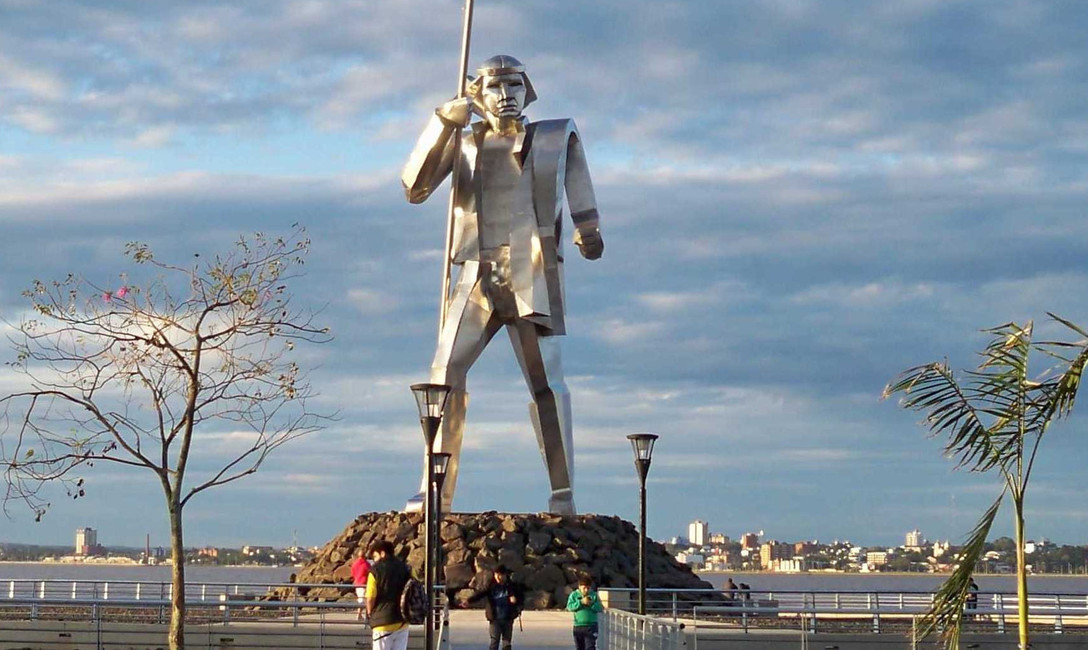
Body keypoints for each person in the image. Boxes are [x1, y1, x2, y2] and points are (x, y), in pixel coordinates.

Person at [402, 54, 605, 516]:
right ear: (477, 95)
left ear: (527, 90)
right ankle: (434, 488)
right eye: (494, 87)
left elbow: (581, 194)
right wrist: (441, 125)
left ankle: (562, 494)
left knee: (546, 384)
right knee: (442, 375)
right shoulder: (465, 140)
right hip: (476, 274)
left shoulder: (555, 136)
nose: (506, 95)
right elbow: (414, 188)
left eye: (514, 85)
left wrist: (588, 229)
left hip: (530, 272)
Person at [366, 541, 412, 650]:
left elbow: (370, 597)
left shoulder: (375, 571)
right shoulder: (406, 568)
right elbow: (414, 589)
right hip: (402, 621)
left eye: (375, 556)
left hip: (382, 623)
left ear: (382, 553)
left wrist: (369, 613)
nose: (374, 560)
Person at [467, 565, 525, 650]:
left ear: (505, 575)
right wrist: (469, 601)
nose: (497, 577)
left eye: (500, 575)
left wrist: (517, 604)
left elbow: (521, 599)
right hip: (495, 619)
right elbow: (480, 594)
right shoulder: (491, 585)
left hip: (507, 618)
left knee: (507, 642)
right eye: (496, 575)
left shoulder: (512, 586)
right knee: (494, 641)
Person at [566, 576, 604, 650]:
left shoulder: (594, 595)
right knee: (580, 647)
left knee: (590, 647)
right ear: (579, 587)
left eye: (588, 588)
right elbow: (569, 607)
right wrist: (581, 602)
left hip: (591, 626)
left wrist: (592, 604)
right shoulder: (574, 595)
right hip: (578, 626)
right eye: (584, 588)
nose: (586, 590)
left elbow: (600, 608)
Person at [350, 551, 371, 621]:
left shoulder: (355, 564)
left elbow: (353, 574)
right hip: (364, 584)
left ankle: (360, 614)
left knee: (361, 599)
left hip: (357, 583)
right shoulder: (366, 564)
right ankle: (359, 614)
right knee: (363, 600)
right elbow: (370, 572)